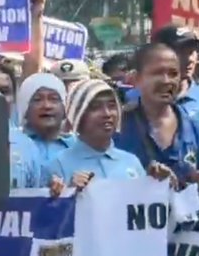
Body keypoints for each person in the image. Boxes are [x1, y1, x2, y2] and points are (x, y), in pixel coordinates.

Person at [44, 78, 175, 193]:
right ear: (78, 115)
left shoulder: (131, 162)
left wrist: (159, 184)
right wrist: (69, 194)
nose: (107, 114)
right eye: (95, 107)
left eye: (112, 106)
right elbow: (49, 217)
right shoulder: (58, 165)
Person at [115, 43, 199, 189]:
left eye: (173, 74)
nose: (166, 80)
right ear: (136, 79)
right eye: (157, 73)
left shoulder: (197, 131)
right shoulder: (117, 128)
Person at [16, 72, 73, 162]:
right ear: (25, 108)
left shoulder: (78, 147)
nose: (47, 106)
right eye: (37, 100)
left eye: (54, 99)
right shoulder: (13, 144)